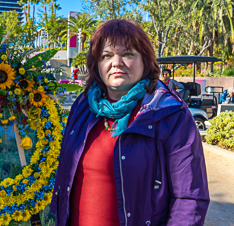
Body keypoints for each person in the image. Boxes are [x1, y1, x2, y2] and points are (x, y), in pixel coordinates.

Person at [51, 19, 209, 226]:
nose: (116, 63)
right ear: (96, 64)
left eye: (128, 54)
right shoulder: (83, 106)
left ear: (145, 61)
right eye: (106, 56)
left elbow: (189, 199)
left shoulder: (169, 114)